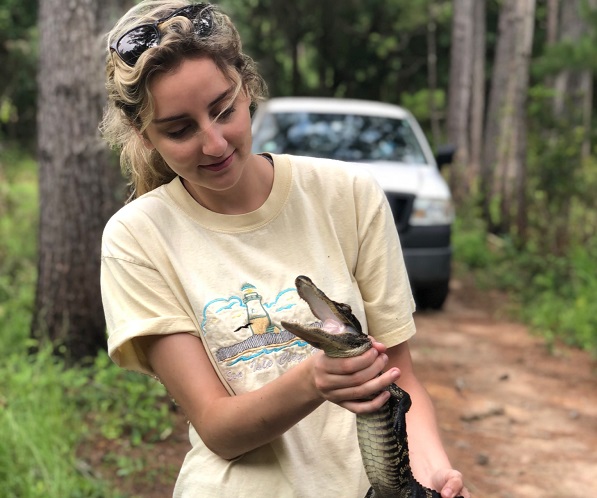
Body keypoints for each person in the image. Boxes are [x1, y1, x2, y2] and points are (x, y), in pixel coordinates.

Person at [100, 1, 470, 497]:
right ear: (145, 137)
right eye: (180, 129)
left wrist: (434, 474)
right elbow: (218, 429)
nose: (214, 143)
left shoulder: (349, 194)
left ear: (247, 88)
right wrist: (313, 382)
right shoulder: (137, 239)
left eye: (223, 109)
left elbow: (401, 378)